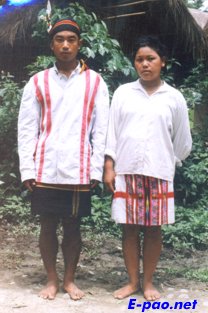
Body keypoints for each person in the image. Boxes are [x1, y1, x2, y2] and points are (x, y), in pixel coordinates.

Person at [18, 18, 109, 301]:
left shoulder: (95, 82)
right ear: (52, 45)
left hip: (79, 168)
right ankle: (51, 280)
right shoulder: (38, 81)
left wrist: (96, 169)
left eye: (71, 39)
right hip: (45, 167)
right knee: (47, 224)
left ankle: (69, 280)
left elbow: (102, 130)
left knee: (73, 225)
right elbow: (26, 128)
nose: (66, 45)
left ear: (80, 44)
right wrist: (27, 168)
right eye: (60, 40)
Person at [104, 36, 192, 301]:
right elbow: (112, 132)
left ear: (162, 62)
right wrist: (110, 165)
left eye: (150, 59)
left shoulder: (174, 98)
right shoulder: (123, 93)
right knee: (129, 227)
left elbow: (182, 141)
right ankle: (132, 282)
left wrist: (166, 161)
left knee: (154, 228)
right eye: (140, 59)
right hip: (127, 169)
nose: (144, 64)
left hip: (159, 172)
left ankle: (149, 283)